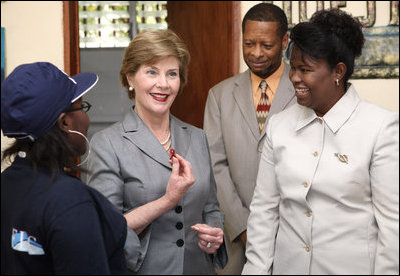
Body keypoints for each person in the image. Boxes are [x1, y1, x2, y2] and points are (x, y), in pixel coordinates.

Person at [242, 8, 399, 275]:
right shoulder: (279, 126)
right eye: (293, 67)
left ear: (338, 71)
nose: (294, 78)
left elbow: (393, 227)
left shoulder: (381, 128)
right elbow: (264, 213)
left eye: (305, 70)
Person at [86, 29, 227, 275]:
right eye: (151, 71)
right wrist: (167, 200)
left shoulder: (197, 136)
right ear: (130, 77)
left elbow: (211, 208)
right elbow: (107, 228)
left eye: (172, 74)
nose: (163, 84)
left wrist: (214, 235)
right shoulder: (106, 144)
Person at [1, 62, 129, 274]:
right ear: (65, 122)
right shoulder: (68, 200)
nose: (86, 118)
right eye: (83, 106)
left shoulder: (7, 183)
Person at [203, 3, 295, 274]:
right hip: (234, 236)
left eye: (266, 45)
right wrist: (243, 227)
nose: (256, 53)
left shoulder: (305, 89)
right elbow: (214, 165)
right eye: (249, 44)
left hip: (292, 232)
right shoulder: (218, 96)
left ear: (284, 41)